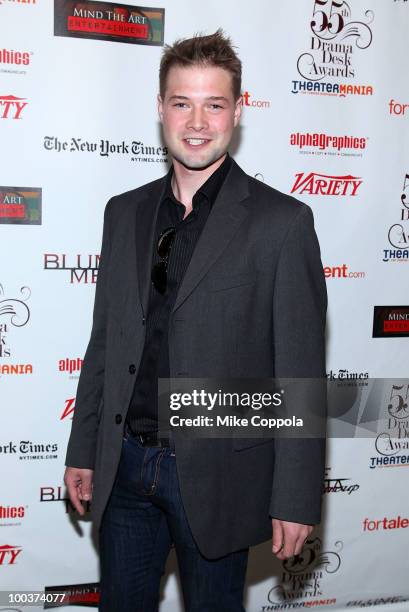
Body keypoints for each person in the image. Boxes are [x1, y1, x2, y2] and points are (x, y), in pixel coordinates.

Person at [64, 29, 327, 612]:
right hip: (125, 466)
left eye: (215, 103)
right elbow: (104, 342)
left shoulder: (282, 224)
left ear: (239, 109)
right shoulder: (124, 213)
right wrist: (85, 448)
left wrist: (296, 497)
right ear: (161, 108)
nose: (198, 121)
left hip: (215, 474)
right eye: (182, 102)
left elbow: (300, 373)